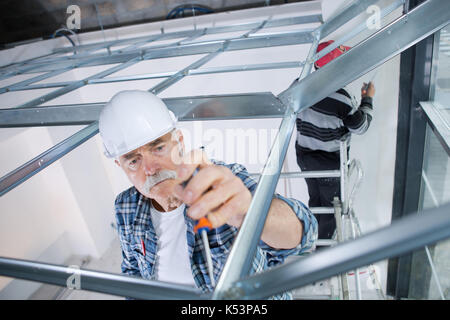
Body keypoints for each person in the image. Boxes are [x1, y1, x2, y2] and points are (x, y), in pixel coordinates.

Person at [98, 90, 318, 299]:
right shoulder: (125, 207)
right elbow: (133, 272)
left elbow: (305, 235)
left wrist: (250, 212)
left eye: (158, 148)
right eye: (134, 161)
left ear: (179, 142)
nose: (150, 168)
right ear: (120, 165)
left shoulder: (222, 182)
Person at [294, 40, 375, 240]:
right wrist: (367, 99)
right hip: (330, 161)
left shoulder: (298, 85)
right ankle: (323, 256)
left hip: (305, 156)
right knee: (331, 210)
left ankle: (311, 242)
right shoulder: (342, 99)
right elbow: (361, 127)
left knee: (316, 202)